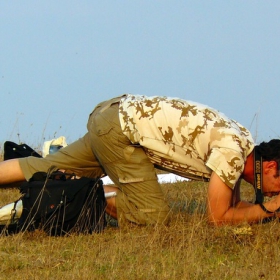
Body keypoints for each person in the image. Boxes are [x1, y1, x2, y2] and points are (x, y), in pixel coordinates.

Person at [1, 94, 280, 226]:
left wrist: (264, 211)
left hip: (113, 115)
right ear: (269, 167)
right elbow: (218, 218)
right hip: (121, 133)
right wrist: (270, 208)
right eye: (279, 187)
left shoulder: (241, 140)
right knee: (153, 216)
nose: (275, 192)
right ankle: (71, 187)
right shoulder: (234, 154)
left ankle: (59, 181)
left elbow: (231, 207)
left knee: (37, 166)